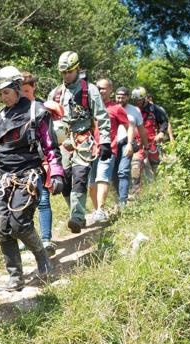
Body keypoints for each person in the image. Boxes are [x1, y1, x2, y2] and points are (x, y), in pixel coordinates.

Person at [0, 65, 64, 291]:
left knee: (19, 223)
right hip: (1, 177)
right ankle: (15, 276)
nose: (3, 97)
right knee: (0, 225)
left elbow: (50, 147)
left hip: (28, 175)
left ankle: (42, 258)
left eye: (6, 92)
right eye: (0, 94)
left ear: (18, 88)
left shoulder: (37, 111)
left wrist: (56, 173)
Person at [47, 51, 110, 233]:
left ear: (77, 69)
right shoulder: (56, 94)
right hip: (63, 142)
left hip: (83, 140)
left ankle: (77, 216)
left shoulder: (90, 90)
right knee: (65, 182)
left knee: (80, 177)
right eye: (63, 73)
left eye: (69, 72)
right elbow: (48, 122)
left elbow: (103, 117)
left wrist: (104, 141)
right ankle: (77, 212)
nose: (66, 76)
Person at [21, 71, 60, 255]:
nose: (24, 95)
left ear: (33, 88)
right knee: (26, 203)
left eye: (27, 91)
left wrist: (54, 167)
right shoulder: (15, 112)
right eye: (21, 91)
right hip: (21, 165)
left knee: (43, 201)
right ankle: (29, 238)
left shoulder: (42, 109)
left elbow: (50, 140)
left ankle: (46, 239)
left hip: (42, 163)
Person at [88, 79, 129, 222]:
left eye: (103, 88)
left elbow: (129, 126)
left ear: (111, 90)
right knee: (91, 185)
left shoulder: (116, 108)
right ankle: (96, 210)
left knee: (102, 178)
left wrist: (131, 142)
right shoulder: (91, 107)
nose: (100, 91)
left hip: (109, 149)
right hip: (92, 150)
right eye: (98, 88)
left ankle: (100, 209)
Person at [114, 86, 148, 208]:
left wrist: (146, 144)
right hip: (112, 144)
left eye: (123, 97)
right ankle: (118, 197)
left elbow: (141, 129)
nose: (120, 100)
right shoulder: (110, 108)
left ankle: (123, 201)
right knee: (114, 173)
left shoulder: (134, 111)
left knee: (123, 171)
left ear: (128, 97)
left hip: (127, 143)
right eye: (118, 97)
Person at [130, 87, 169, 192]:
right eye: (135, 100)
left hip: (153, 143)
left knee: (156, 167)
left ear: (144, 98)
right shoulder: (132, 110)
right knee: (135, 167)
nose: (137, 102)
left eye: (139, 100)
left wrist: (161, 132)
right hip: (138, 143)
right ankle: (136, 192)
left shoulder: (155, 109)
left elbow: (165, 121)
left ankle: (161, 189)